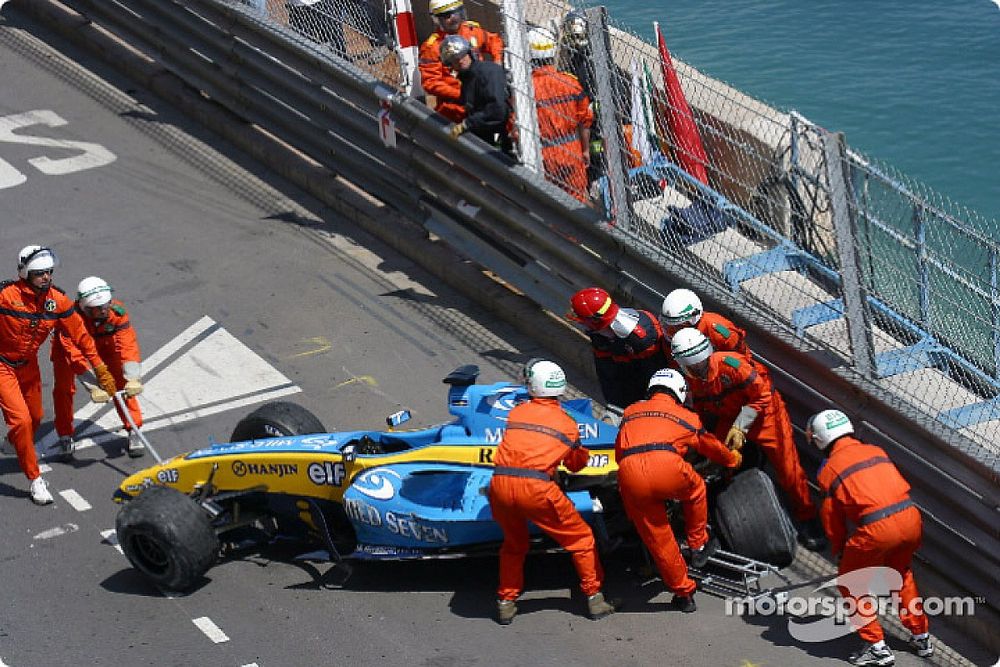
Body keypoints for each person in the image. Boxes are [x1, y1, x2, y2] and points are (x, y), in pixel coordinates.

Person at [670, 328, 826, 550]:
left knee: (788, 470)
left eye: (698, 365)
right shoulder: (689, 379)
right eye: (692, 367)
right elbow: (699, 408)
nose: (697, 370)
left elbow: (762, 395)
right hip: (729, 416)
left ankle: (807, 517)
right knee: (717, 456)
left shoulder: (734, 365)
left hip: (765, 416)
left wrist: (741, 426)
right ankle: (725, 506)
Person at [488, 359, 615, 625]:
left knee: (513, 545)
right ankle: (595, 598)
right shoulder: (567, 424)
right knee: (581, 540)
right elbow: (576, 463)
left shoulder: (517, 413)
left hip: (499, 484)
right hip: (536, 489)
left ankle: (505, 602)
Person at [807, 409, 933, 666]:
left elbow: (832, 518)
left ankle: (876, 647)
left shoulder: (829, 470)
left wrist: (840, 549)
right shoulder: (876, 451)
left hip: (877, 529)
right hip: (910, 519)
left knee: (850, 583)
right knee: (902, 574)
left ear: (820, 439)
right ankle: (921, 636)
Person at [615, 369, 741, 612]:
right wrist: (731, 460)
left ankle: (684, 596)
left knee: (659, 539)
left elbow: (620, 451)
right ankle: (698, 543)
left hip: (629, 473)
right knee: (696, 490)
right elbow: (710, 447)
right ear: (680, 392)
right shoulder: (686, 416)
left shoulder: (630, 412)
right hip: (666, 467)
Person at [0, 246, 117, 505]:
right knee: (20, 421)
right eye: (40, 273)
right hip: (3, 366)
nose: (46, 277)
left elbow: (81, 335)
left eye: (49, 272)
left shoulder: (58, 301)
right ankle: (35, 479)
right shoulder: (5, 296)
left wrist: (100, 368)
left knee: (36, 418)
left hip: (28, 366)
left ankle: (14, 443)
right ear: (25, 273)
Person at [51, 277, 145, 459]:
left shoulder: (116, 312)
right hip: (68, 352)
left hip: (105, 345)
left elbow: (128, 343)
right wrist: (93, 386)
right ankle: (64, 435)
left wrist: (133, 377)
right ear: (86, 308)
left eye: (106, 305)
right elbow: (75, 356)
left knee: (122, 383)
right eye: (99, 308)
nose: (104, 310)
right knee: (64, 390)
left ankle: (134, 428)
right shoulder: (68, 319)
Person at [567, 287, 669, 410]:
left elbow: (656, 376)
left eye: (582, 321)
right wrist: (616, 408)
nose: (581, 324)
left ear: (595, 321)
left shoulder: (641, 339)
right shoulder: (599, 334)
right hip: (627, 384)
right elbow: (607, 374)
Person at [527, 26, 593, 204]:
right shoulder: (569, 83)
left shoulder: (526, 88)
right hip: (571, 150)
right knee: (578, 200)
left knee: (549, 203)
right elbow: (585, 121)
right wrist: (585, 150)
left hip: (542, 153)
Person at [418, 0, 503, 124]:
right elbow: (431, 82)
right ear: (438, 20)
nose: (453, 18)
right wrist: (462, 94)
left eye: (456, 13)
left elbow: (494, 41)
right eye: (447, 16)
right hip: (455, 110)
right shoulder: (432, 47)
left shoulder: (472, 31)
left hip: (483, 102)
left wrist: (497, 62)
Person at [439, 34, 511, 154]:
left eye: (462, 55)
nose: (460, 61)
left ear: (470, 53)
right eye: (454, 60)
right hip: (488, 137)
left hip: (502, 138)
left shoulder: (488, 72)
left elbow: (497, 110)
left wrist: (467, 124)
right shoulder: (467, 79)